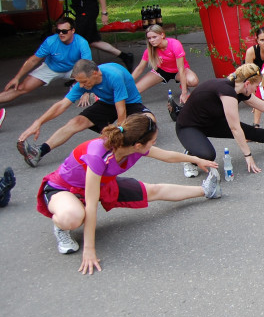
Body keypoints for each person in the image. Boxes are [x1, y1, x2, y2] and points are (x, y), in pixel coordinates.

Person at [36, 113, 221, 274]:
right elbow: (92, 205)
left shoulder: (134, 146)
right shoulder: (98, 155)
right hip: (63, 188)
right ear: (139, 144)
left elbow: (167, 156)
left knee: (153, 190)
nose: (154, 144)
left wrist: (197, 160)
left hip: (102, 183)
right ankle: (61, 227)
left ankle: (206, 190)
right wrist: (89, 250)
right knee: (74, 217)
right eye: (153, 141)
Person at [17, 59, 151, 168]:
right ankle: (40, 151)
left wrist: (119, 134)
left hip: (130, 102)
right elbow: (61, 105)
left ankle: (125, 139)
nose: (81, 86)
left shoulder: (113, 75)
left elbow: (121, 111)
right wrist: (38, 122)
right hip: (107, 103)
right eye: (79, 82)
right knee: (77, 121)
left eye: (84, 82)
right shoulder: (84, 81)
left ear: (95, 74)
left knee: (150, 122)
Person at [178, 63, 264, 177]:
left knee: (251, 131)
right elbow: (235, 128)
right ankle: (190, 157)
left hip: (211, 122)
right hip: (189, 126)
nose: (256, 90)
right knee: (208, 155)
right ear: (247, 83)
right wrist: (248, 155)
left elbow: (262, 105)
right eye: (256, 86)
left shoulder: (240, 89)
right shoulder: (226, 92)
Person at [0, 16, 91, 106]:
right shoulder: (50, 41)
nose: (61, 34)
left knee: (96, 75)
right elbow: (33, 60)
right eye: (58, 31)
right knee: (21, 88)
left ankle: (76, 84)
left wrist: (86, 92)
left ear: (73, 31)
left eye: (64, 31)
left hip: (73, 69)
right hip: (51, 68)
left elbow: (87, 66)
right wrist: (17, 78)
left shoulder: (82, 42)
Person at [130, 25, 199, 104]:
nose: (152, 40)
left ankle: (184, 86)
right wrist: (127, 82)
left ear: (162, 35)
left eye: (154, 37)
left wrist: (184, 92)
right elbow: (140, 68)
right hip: (161, 71)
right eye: (149, 38)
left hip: (178, 71)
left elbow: (181, 69)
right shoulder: (149, 50)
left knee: (193, 81)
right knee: (135, 91)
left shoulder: (175, 44)